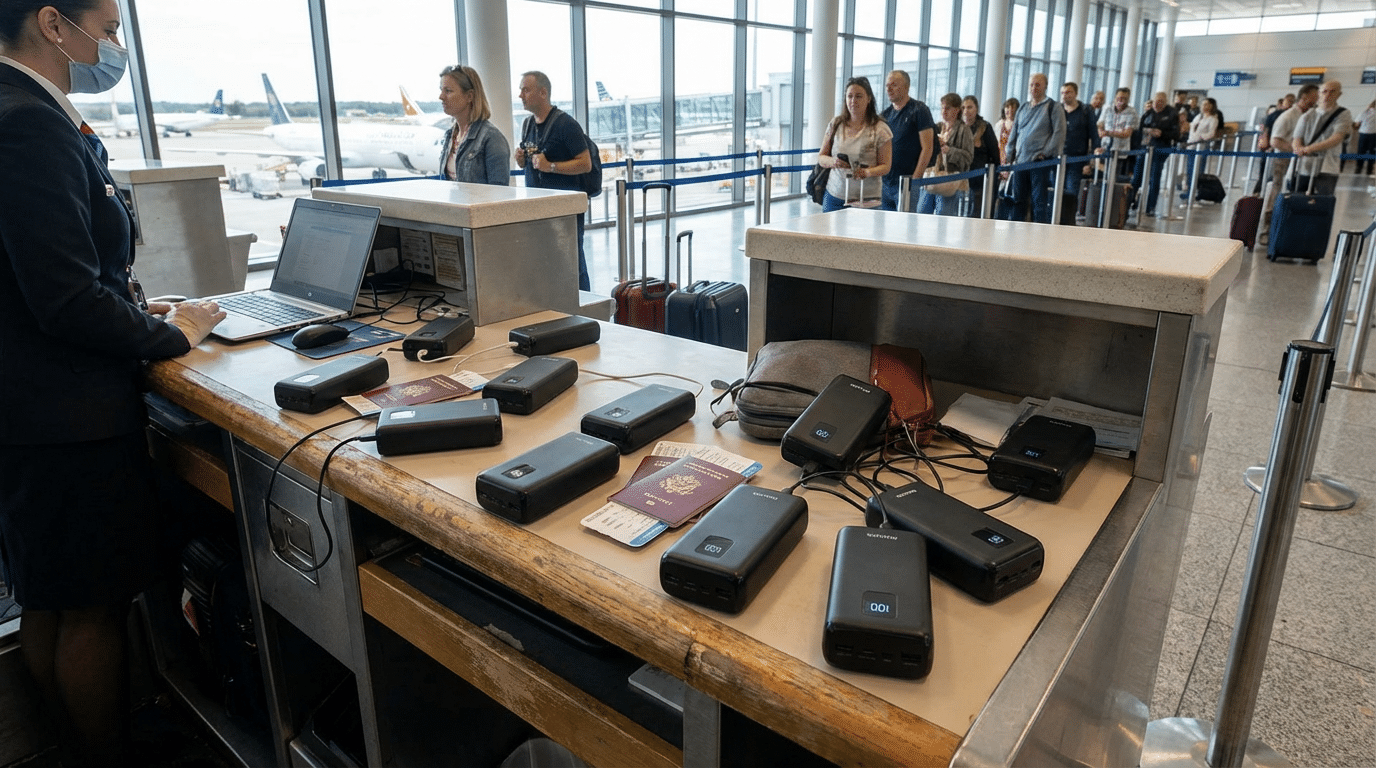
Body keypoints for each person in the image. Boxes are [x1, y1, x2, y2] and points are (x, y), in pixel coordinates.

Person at [0, 2, 226, 765]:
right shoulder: (27, 122)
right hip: (64, 418)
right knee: (90, 607)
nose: (115, 44)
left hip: (28, 410)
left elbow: (47, 271)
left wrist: (130, 301)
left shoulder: (21, 109)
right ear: (54, 24)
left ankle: (68, 747)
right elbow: (63, 300)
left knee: (50, 599)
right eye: (109, 24)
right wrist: (176, 333)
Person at [514, 70, 594, 291]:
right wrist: (521, 160)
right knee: (544, 264)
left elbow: (585, 163)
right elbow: (530, 163)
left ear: (543, 92)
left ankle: (583, 308)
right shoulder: (528, 125)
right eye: (520, 90)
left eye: (525, 89)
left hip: (565, 211)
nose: (520, 95)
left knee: (572, 264)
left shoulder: (565, 124)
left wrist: (551, 166)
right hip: (538, 208)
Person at [817, 76, 892, 212]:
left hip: (867, 200)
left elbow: (886, 166)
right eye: (849, 96)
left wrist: (866, 172)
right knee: (829, 233)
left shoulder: (880, 129)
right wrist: (834, 162)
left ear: (868, 99)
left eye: (858, 96)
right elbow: (821, 157)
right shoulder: (836, 124)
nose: (853, 101)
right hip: (835, 195)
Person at [1001, 72, 1066, 223]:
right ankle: (1016, 234)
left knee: (1039, 202)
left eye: (1037, 84)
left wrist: (1046, 153)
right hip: (1020, 162)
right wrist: (1008, 158)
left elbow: (1059, 133)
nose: (1034, 88)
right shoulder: (1023, 108)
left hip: (1039, 162)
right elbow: (1014, 134)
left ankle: (1040, 237)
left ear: (1045, 86)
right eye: (1031, 84)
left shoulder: (1053, 107)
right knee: (1018, 201)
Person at [437, 64, 510, 185]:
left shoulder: (492, 139)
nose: (441, 97)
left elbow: (500, 194)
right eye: (441, 90)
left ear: (469, 96)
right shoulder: (450, 136)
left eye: (448, 91)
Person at [1262, 83, 1318, 237]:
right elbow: (1275, 141)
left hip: (1302, 163)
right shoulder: (1288, 116)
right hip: (1283, 160)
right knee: (1277, 190)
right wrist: (1296, 150)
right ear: (1304, 97)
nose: (1317, 99)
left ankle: (1288, 228)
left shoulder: (1311, 115)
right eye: (1314, 96)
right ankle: (1267, 228)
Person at [879, 69, 934, 212]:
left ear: (906, 87)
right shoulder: (885, 115)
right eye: (887, 85)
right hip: (886, 183)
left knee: (904, 228)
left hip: (907, 182)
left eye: (894, 85)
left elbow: (927, 147)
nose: (889, 89)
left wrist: (915, 179)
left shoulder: (919, 110)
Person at [915, 93, 973, 217]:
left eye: (947, 108)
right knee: (921, 212)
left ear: (957, 110)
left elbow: (968, 158)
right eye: (942, 107)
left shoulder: (964, 130)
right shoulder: (937, 127)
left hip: (949, 181)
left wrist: (948, 150)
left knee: (943, 216)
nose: (943, 111)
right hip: (931, 176)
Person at [1294, 80, 1353, 197]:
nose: (1328, 95)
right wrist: (1298, 148)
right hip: (1304, 166)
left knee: (1323, 201)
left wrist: (1310, 149)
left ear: (1339, 95)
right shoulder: (1308, 115)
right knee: (1298, 200)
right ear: (1319, 94)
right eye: (1324, 91)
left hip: (1328, 166)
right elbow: (1297, 137)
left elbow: (1337, 137)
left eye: (1332, 92)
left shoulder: (1343, 114)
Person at [1132, 91, 1180, 216]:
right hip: (1145, 148)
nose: (1157, 104)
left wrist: (1162, 133)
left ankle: (1150, 206)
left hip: (1161, 149)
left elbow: (1176, 134)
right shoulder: (1148, 113)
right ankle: (1130, 202)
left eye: (1161, 102)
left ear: (1165, 102)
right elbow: (1140, 130)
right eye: (1155, 101)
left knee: (1154, 178)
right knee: (1137, 177)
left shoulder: (1172, 114)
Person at [1060, 82, 1096, 195]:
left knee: (1072, 190)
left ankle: (1068, 213)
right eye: (1062, 93)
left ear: (1076, 93)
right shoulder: (1057, 110)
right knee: (1056, 190)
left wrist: (1090, 161)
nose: (1065, 95)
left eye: (1068, 92)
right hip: (1058, 157)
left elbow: (1094, 135)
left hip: (1077, 158)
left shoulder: (1085, 111)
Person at [962, 95, 994, 216]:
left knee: (976, 212)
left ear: (976, 109)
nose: (966, 111)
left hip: (979, 177)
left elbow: (994, 152)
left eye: (970, 107)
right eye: (964, 107)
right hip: (963, 176)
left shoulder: (984, 127)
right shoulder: (959, 127)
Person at [1097, 87, 1138, 179]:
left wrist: (1108, 133)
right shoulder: (1107, 109)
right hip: (1105, 148)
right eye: (1119, 98)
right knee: (1102, 176)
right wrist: (1100, 130)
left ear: (1128, 99)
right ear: (1115, 97)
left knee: (1113, 177)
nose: (1121, 101)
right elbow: (1100, 123)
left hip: (1120, 150)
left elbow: (1127, 133)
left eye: (1124, 99)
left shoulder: (1131, 112)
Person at [1183, 97, 1220, 189]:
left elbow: (1211, 133)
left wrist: (1200, 137)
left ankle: (1196, 188)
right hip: (1191, 145)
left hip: (1201, 146)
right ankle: (1189, 187)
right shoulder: (1198, 117)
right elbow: (1192, 128)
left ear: (1212, 106)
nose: (1204, 106)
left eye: (1206, 104)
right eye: (1203, 104)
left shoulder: (1213, 119)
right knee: (1190, 168)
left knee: (1198, 169)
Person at [993, 97, 1019, 165]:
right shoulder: (999, 125)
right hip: (999, 158)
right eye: (1007, 107)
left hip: (1013, 160)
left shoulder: (1019, 125)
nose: (1010, 110)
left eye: (1013, 108)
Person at [1357, 98, 1376, 176]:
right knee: (1372, 151)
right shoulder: (1366, 112)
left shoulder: (1364, 112)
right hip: (1373, 134)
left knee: (1361, 151)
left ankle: (1359, 167)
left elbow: (1357, 124)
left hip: (1363, 133)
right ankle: (1369, 168)